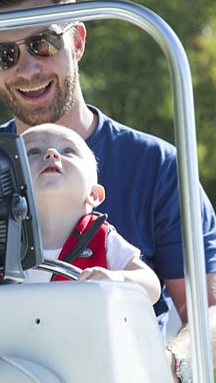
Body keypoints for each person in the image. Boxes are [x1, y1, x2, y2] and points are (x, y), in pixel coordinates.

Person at [0, 0, 216, 383]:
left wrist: (165, 364)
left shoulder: (157, 165)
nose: (27, 69)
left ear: (76, 41)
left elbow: (214, 314)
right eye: (6, 54)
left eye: (42, 44)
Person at [20, 123, 161, 304]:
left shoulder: (102, 237)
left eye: (68, 151)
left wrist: (117, 280)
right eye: (33, 152)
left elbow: (151, 286)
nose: (51, 154)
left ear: (94, 195)